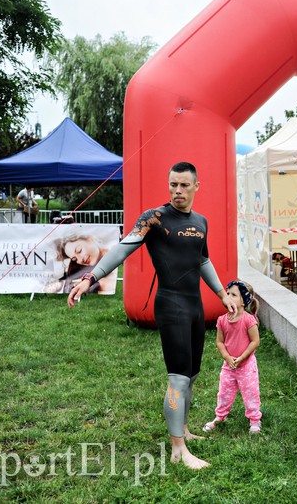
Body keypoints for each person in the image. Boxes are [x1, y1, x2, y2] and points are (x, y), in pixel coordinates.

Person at [67, 162, 238, 470]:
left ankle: (183, 429)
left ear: (197, 186)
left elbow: (202, 260)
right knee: (178, 378)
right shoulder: (154, 218)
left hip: (195, 306)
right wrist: (90, 278)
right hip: (170, 305)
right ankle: (177, 449)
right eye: (173, 184)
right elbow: (121, 250)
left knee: (192, 375)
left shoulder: (201, 221)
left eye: (185, 185)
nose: (178, 191)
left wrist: (223, 294)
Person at [202, 279, 262, 434]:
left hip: (246, 367)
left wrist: (242, 357)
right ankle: (220, 417)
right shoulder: (222, 320)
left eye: (233, 295)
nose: (228, 297)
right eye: (227, 294)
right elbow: (220, 342)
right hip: (229, 366)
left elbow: (255, 341)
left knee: (250, 394)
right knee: (224, 393)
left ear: (244, 301)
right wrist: (227, 358)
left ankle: (255, 420)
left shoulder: (248, 320)